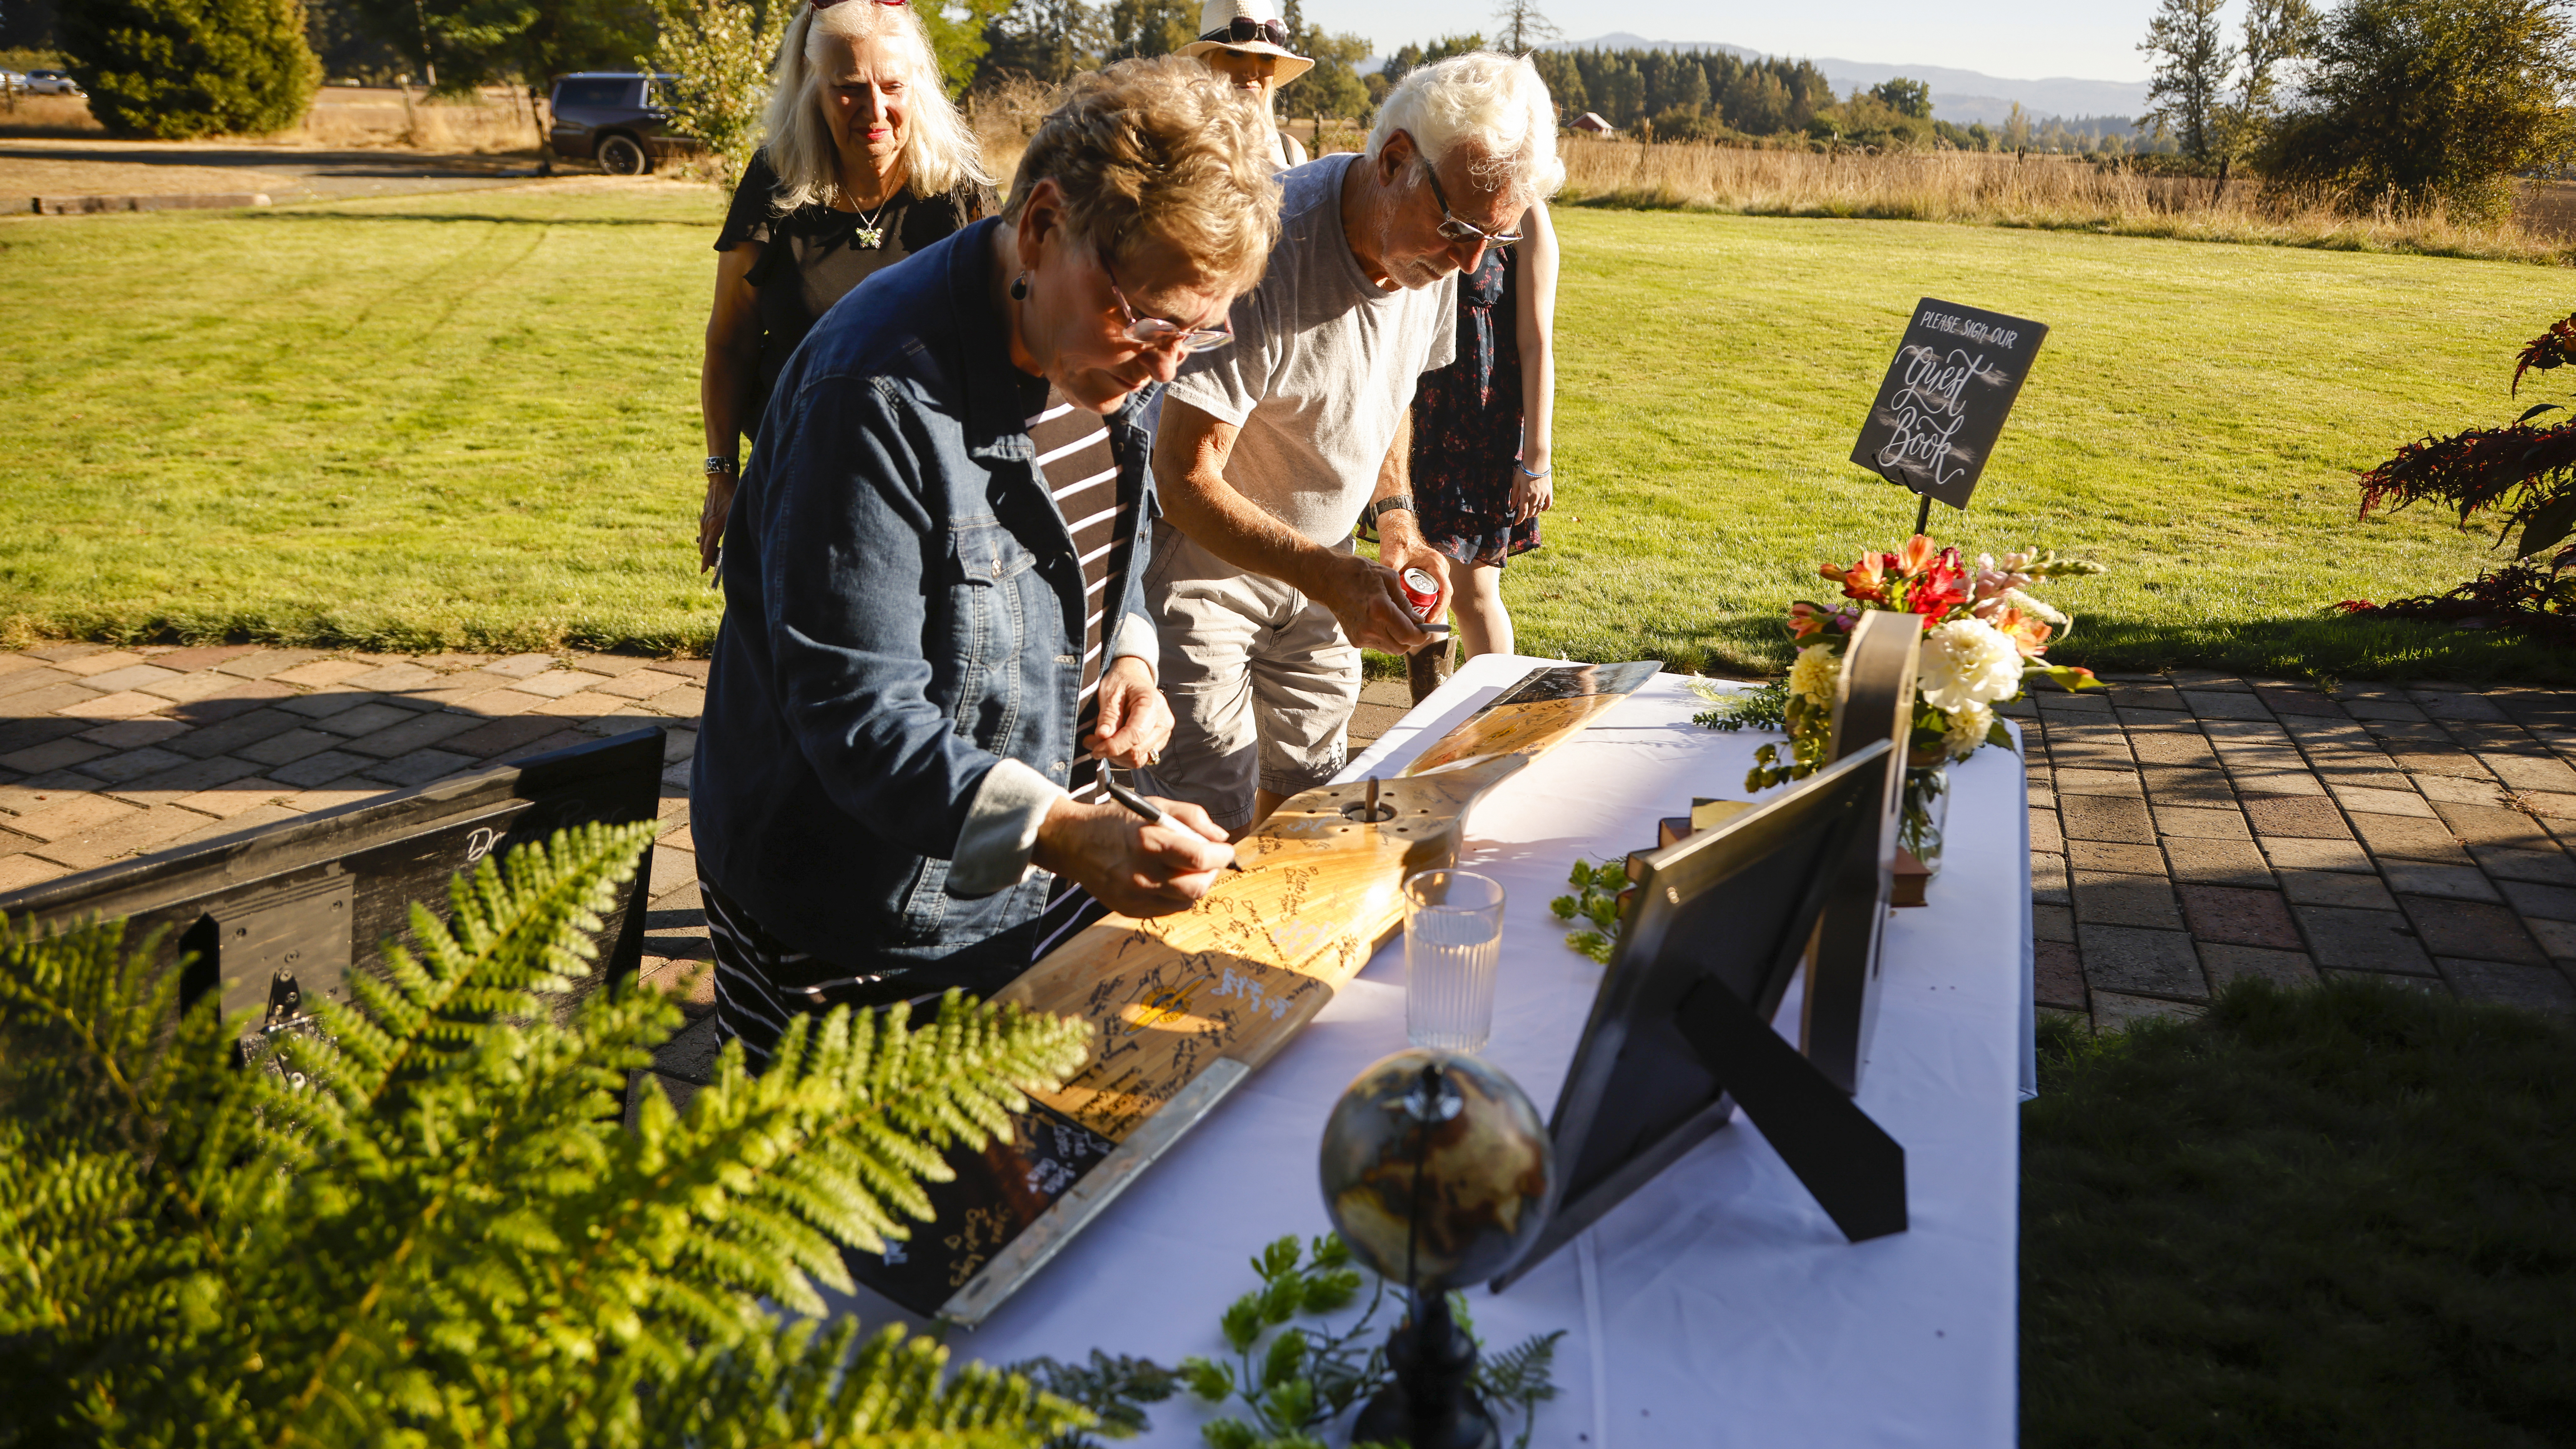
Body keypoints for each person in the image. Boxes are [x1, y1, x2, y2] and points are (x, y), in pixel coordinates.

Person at [690, 57, 1283, 1069]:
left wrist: (1129, 659)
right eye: (1150, 320)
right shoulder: (871, 391)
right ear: (1044, 226)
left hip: (1026, 883)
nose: (1169, 363)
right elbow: (857, 714)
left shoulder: (1105, 342)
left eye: (1200, 329)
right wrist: (1061, 827)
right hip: (850, 911)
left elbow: (1111, 553)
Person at [1136, 52, 1565, 836]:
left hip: (1328, 565)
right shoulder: (1265, 248)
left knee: (1314, 807)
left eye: (1493, 243)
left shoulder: (1431, 262)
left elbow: (1391, 396)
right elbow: (1182, 475)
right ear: (1395, 160)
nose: (1471, 264)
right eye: (1463, 229)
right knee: (1205, 822)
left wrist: (1397, 517)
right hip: (1206, 574)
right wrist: (1332, 576)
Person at [696, 0, 994, 572]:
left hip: (936, 493)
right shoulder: (774, 182)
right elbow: (729, 342)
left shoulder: (961, 186)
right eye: (849, 87)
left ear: (918, 87)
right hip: (796, 485)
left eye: (892, 85)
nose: (875, 109)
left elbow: (1010, 334)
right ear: (811, 85)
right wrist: (722, 475)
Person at [1406, 198, 1559, 676]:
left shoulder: (1526, 214)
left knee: (1474, 595)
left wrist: (1536, 459)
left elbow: (1536, 344)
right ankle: (1430, 727)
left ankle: (1488, 729)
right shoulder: (1428, 190)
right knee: (1418, 582)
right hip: (1411, 425)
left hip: (1478, 436)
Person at [1180, 0, 1310, 170]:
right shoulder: (1180, 146)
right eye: (1236, 54)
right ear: (1205, 64)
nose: (1253, 72)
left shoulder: (1293, 152)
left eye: (1266, 57)